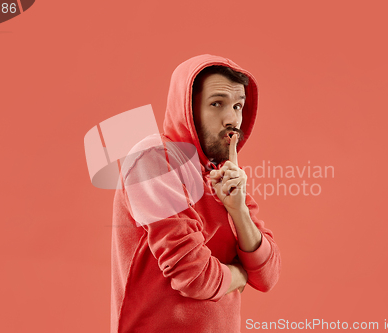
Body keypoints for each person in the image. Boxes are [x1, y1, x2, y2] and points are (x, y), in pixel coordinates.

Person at [111, 54, 281, 333]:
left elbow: (267, 275)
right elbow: (193, 276)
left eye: (238, 106)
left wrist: (238, 210)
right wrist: (239, 275)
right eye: (217, 104)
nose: (232, 119)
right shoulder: (153, 159)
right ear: (188, 108)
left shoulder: (224, 174)